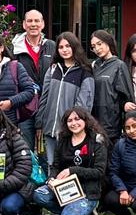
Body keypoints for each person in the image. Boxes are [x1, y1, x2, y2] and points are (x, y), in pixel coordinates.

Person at [32, 107, 109, 215]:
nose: (73, 123)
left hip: (86, 192)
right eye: (70, 120)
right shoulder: (62, 139)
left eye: (77, 119)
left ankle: (81, 213)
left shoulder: (96, 140)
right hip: (63, 189)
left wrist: (73, 170)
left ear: (86, 120)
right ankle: (73, 211)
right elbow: (55, 166)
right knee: (39, 195)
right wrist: (51, 179)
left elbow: (99, 172)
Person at [36, 32, 95, 167]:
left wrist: (74, 125)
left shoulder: (84, 72)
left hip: (70, 130)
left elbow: (83, 105)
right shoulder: (53, 69)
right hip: (50, 128)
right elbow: (44, 98)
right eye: (61, 47)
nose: (64, 50)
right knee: (51, 165)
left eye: (68, 46)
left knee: (68, 165)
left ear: (75, 47)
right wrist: (40, 122)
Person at [0, 33, 36, 146]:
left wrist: (11, 102)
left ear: (2, 47)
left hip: (10, 124)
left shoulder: (15, 67)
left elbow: (29, 91)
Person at [11, 9, 56, 144]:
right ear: (24, 25)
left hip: (47, 105)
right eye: (30, 21)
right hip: (25, 107)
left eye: (37, 21)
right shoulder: (15, 47)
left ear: (42, 24)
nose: (33, 24)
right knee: (25, 148)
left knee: (46, 151)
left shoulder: (51, 46)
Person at [90, 30, 135, 142]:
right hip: (94, 119)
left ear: (108, 43)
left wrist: (124, 105)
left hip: (112, 123)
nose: (97, 49)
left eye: (99, 44)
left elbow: (127, 95)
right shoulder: (94, 65)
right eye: (93, 46)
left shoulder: (119, 65)